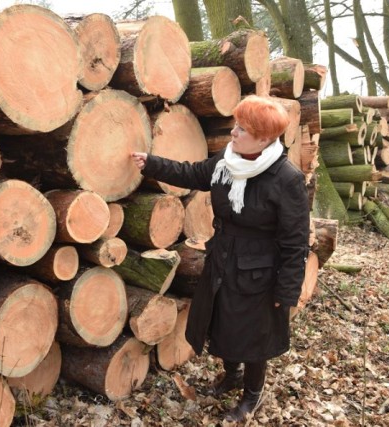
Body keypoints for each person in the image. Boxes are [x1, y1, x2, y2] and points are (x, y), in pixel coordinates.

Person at [131, 95, 309, 423]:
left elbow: (296, 244)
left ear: (265, 139)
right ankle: (232, 376)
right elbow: (192, 173)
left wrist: (285, 293)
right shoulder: (225, 163)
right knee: (223, 324)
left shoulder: (287, 179)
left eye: (243, 129)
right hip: (223, 260)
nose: (234, 133)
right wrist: (151, 163)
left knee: (254, 337)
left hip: (259, 273)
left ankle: (252, 394)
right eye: (236, 125)